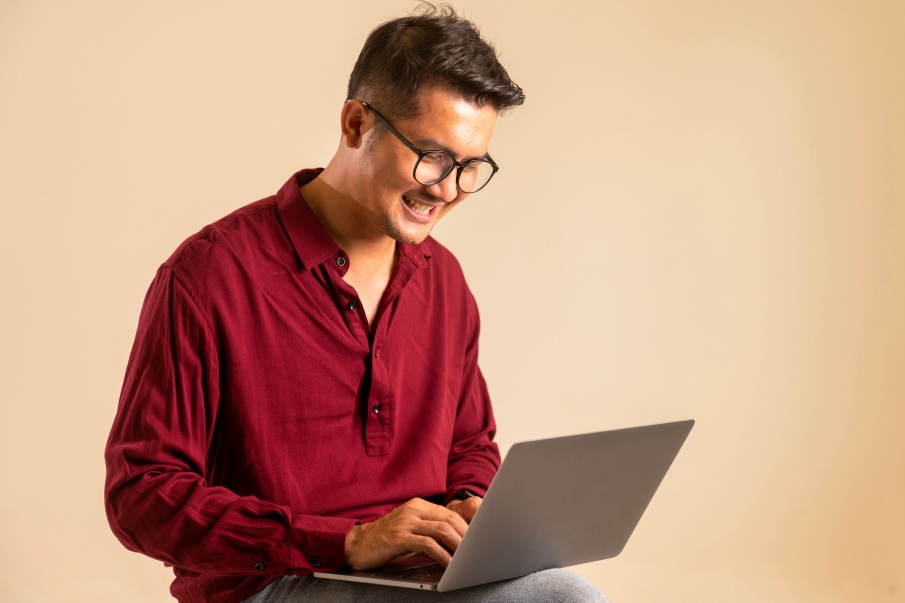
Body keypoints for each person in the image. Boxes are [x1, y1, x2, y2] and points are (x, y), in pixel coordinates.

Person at [104, 4, 608, 603]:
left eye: (471, 167)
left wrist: (473, 507)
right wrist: (346, 540)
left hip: (419, 577)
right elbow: (141, 494)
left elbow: (469, 446)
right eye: (433, 155)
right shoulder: (210, 275)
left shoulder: (444, 281)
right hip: (275, 582)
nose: (447, 189)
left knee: (563, 592)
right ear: (354, 124)